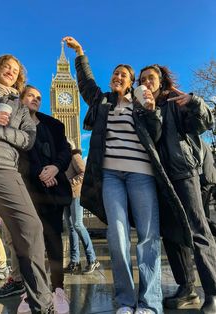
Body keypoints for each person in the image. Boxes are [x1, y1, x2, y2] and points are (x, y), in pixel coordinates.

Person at [63, 36, 163, 314]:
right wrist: (80, 54)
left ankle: (150, 304)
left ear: (131, 82)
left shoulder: (143, 102)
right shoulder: (103, 101)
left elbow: (155, 136)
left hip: (142, 174)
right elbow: (85, 83)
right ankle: (126, 301)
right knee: (117, 238)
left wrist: (151, 112)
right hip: (110, 177)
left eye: (124, 74)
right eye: (115, 73)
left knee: (148, 237)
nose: (118, 76)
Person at [138, 64, 216, 314]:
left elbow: (204, 123)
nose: (147, 82)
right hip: (160, 179)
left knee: (198, 231)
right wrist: (150, 111)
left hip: (183, 172)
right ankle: (187, 288)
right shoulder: (141, 109)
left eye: (151, 78)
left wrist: (195, 102)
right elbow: (154, 136)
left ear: (161, 80)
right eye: (142, 80)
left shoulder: (177, 100)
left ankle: (213, 291)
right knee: (172, 235)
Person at [0, 55, 54, 313]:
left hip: (0, 166)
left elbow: (26, 139)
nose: (11, 71)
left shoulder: (19, 106)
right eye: (6, 66)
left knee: (30, 229)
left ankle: (43, 305)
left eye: (16, 69)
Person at [16, 85, 71, 313]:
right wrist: (41, 171)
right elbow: (20, 155)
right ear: (20, 99)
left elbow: (65, 151)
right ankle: (32, 291)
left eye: (39, 97)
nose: (36, 100)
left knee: (53, 239)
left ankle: (59, 289)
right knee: (28, 241)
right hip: (26, 189)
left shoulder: (53, 125)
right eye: (31, 95)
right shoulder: (14, 124)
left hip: (53, 190)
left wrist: (55, 168)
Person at [64, 139, 100, 274]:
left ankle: (93, 259)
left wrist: (70, 183)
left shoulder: (75, 156)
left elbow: (84, 173)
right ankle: (75, 262)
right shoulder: (64, 159)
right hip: (66, 197)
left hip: (76, 194)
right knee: (71, 228)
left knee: (78, 224)